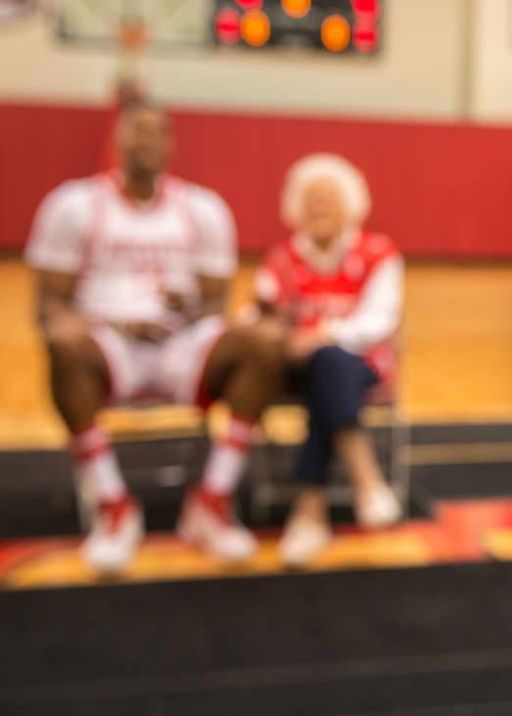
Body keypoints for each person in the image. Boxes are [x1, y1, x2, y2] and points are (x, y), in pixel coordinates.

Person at [25, 103, 285, 574]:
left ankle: (212, 501)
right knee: (62, 343)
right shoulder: (74, 206)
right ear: (117, 140)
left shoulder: (203, 209)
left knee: (265, 342)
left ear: (172, 143)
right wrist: (109, 322)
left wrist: (182, 307)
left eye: (158, 133)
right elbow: (48, 308)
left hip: (180, 343)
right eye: (137, 132)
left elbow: (213, 306)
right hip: (107, 343)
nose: (147, 142)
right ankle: (112, 504)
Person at [255, 154, 404, 567]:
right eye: (311, 199)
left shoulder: (379, 253)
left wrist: (322, 335)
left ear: (352, 203)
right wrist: (285, 338)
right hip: (293, 371)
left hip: (359, 365)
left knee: (329, 363)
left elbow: (380, 321)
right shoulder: (279, 261)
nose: (319, 207)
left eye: (329, 198)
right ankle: (365, 477)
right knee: (322, 367)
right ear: (294, 207)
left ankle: (309, 509)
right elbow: (259, 321)